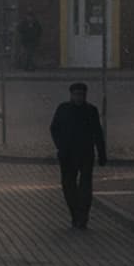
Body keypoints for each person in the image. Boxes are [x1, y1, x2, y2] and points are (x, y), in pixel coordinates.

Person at [49, 81, 107, 230]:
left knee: (85, 187)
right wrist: (60, 146)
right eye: (76, 94)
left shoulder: (91, 111)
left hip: (86, 154)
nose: (79, 98)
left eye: (82, 95)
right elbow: (54, 128)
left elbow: (98, 133)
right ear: (71, 95)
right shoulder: (63, 109)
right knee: (68, 186)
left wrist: (102, 154)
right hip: (67, 154)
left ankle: (83, 216)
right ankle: (75, 214)